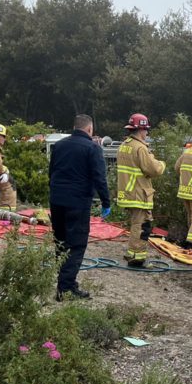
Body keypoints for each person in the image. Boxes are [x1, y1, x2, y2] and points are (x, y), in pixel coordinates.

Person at [49, 114, 110, 300]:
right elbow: (100, 178)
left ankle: (65, 281)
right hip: (77, 203)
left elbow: (51, 172)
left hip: (57, 200)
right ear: (90, 129)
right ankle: (65, 289)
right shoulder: (92, 148)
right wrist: (106, 203)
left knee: (60, 243)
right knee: (75, 245)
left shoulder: (59, 146)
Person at [116, 113, 166, 267]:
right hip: (139, 193)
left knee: (136, 224)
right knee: (142, 226)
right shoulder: (140, 148)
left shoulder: (124, 145)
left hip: (128, 192)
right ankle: (137, 259)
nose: (147, 133)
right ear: (141, 130)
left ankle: (132, 254)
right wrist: (162, 163)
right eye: (146, 130)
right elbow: (154, 169)